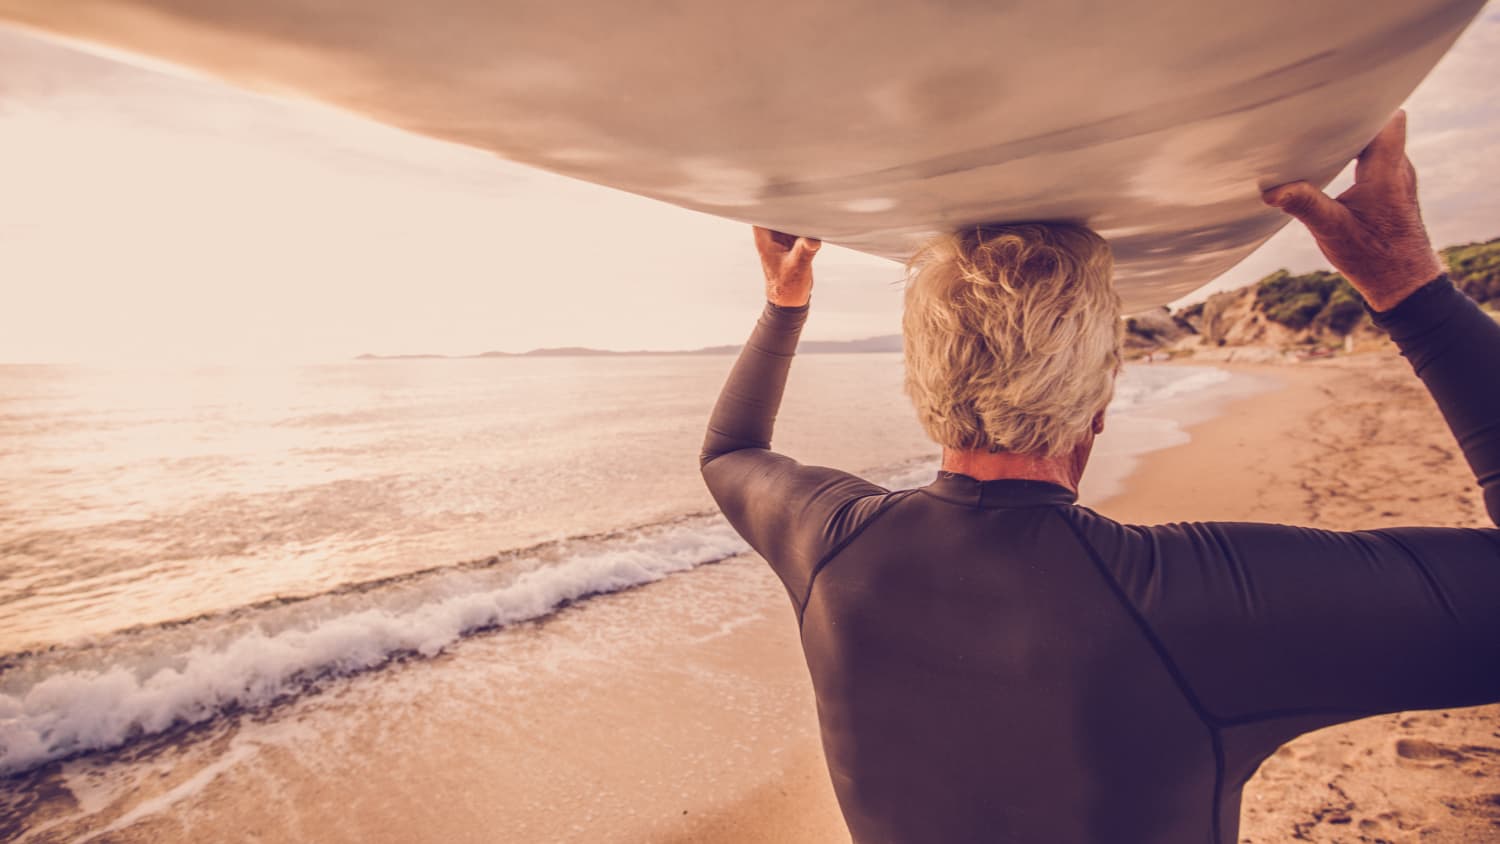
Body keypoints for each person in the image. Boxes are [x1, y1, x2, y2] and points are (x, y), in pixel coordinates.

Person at [699, 111, 1500, 844]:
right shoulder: (1198, 600)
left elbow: (729, 451)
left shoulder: (831, 541)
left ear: (922, 385)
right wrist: (1411, 290)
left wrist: (784, 303)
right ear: (1100, 402)